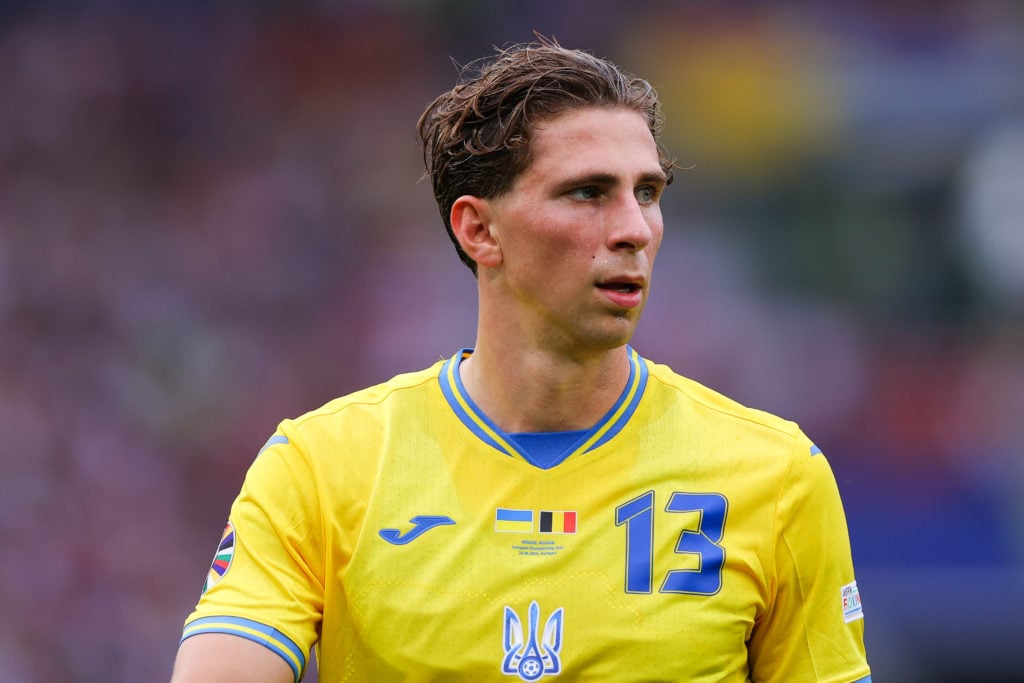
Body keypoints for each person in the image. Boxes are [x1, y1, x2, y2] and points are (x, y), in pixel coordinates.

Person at [171, 36, 871, 682]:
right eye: (588, 192)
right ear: (479, 229)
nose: (634, 228)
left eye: (648, 193)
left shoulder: (777, 477)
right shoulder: (321, 467)